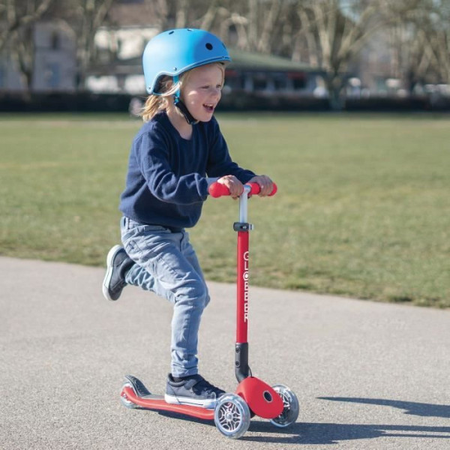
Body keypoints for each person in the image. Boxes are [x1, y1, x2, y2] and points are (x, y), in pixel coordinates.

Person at [102, 28, 273, 409]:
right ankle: (181, 378)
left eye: (219, 86)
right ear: (169, 86)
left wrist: (251, 180)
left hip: (175, 229)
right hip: (145, 229)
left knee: (198, 294)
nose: (215, 95)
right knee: (190, 292)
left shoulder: (207, 129)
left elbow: (224, 165)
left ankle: (125, 270)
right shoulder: (153, 136)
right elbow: (163, 185)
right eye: (205, 87)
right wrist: (210, 185)